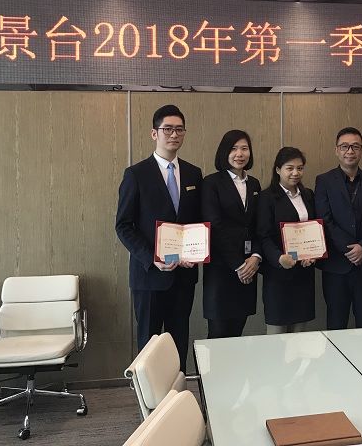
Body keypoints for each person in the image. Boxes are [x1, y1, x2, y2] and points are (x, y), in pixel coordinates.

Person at [115, 104, 202, 372]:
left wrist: (194, 253)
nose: (174, 134)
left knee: (179, 340)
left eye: (179, 129)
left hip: (184, 275)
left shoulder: (193, 173)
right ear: (155, 133)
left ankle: (177, 392)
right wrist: (152, 258)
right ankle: (149, 396)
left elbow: (196, 222)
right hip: (149, 276)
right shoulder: (136, 174)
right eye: (167, 129)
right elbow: (124, 226)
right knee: (149, 344)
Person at [315, 127, 362, 329]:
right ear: (336, 150)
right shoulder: (324, 181)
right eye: (344, 146)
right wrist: (351, 250)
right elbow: (324, 220)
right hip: (336, 266)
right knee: (336, 324)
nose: (350, 151)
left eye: (355, 146)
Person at [201, 130, 262, 338]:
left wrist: (255, 257)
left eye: (244, 148)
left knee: (238, 331)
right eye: (234, 148)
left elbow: (258, 225)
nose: (239, 154)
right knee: (218, 333)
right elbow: (214, 226)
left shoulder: (254, 184)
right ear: (224, 152)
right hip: (222, 268)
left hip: (249, 266)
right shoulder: (211, 183)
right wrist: (238, 265)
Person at [257, 147, 317, 334]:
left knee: (300, 336)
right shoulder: (266, 197)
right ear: (278, 169)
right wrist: (279, 258)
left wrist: (313, 253)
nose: (295, 173)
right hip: (278, 276)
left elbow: (315, 230)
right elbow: (264, 236)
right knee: (277, 335)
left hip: (304, 274)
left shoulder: (308, 195)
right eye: (289, 168)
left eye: (300, 168)